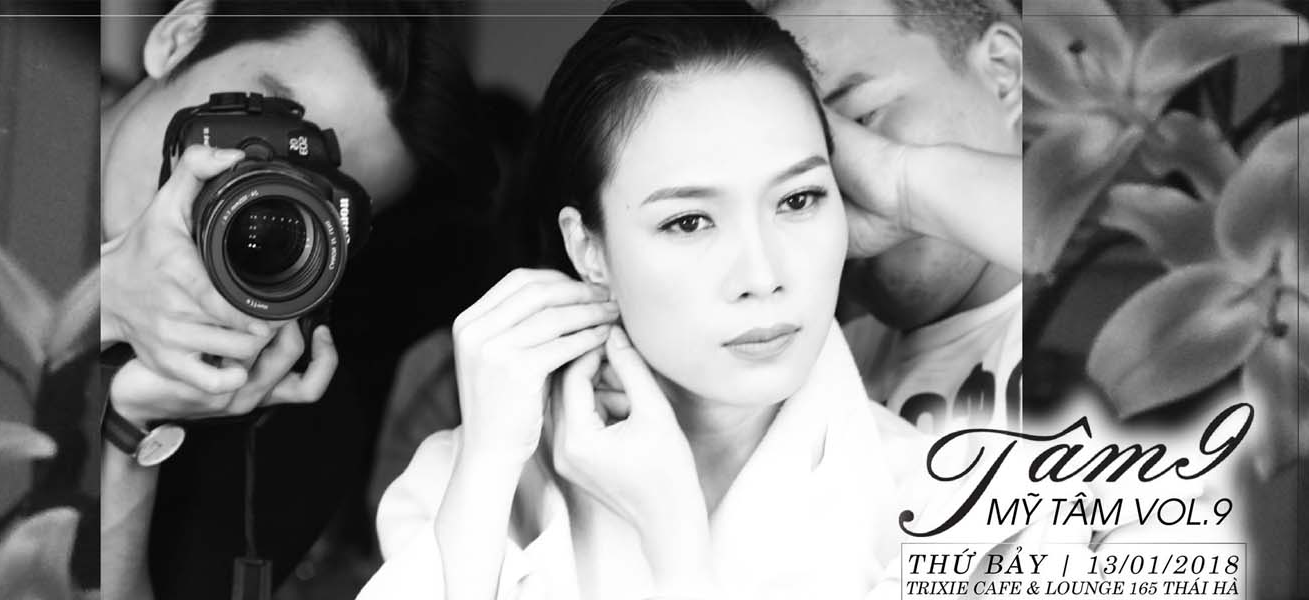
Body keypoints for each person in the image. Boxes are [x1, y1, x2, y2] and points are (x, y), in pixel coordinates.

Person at [360, 3, 1051, 598]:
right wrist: (486, 472)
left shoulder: (955, 507)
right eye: (689, 221)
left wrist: (678, 546)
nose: (762, 274)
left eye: (799, 199)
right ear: (589, 249)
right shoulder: (475, 480)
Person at [98, 1, 494, 598]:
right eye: (261, 127)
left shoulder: (285, 419)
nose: (263, 195)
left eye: (315, 190)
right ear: (179, 36)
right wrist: (99, 300)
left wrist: (129, 432)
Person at [763, 0, 1025, 434]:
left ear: (1004, 71)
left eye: (860, 117)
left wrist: (904, 186)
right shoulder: (819, 378)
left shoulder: (1109, 315)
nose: (836, 179)